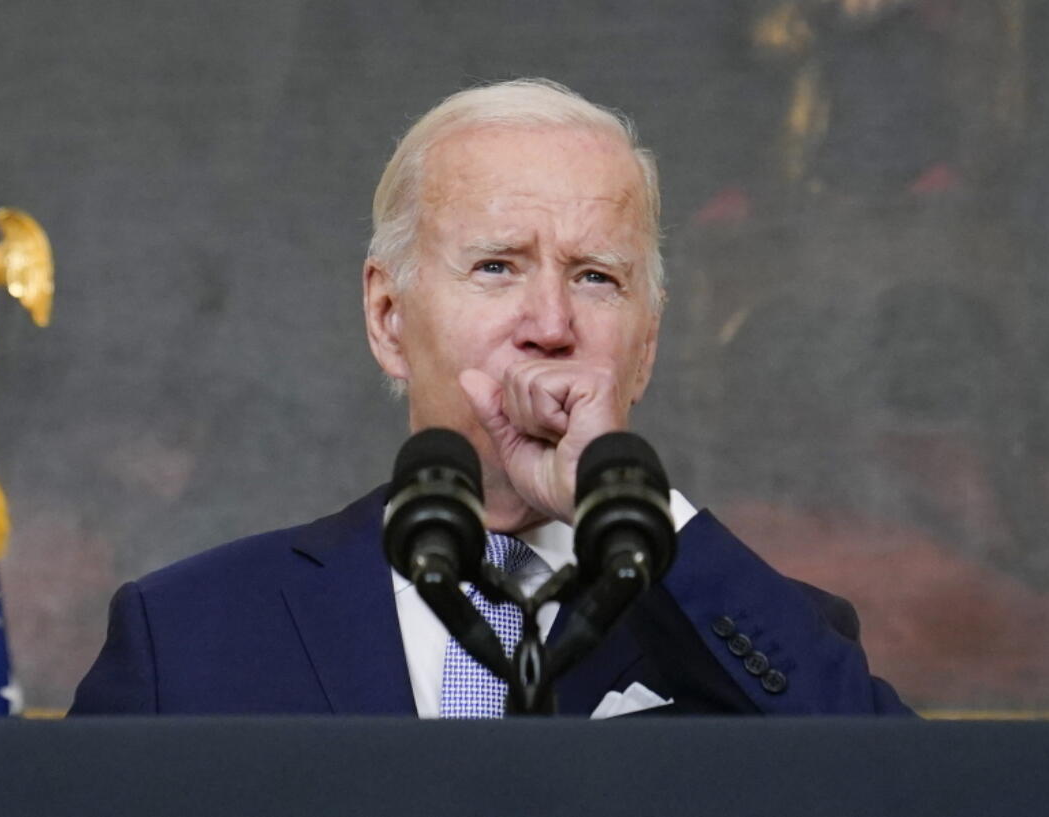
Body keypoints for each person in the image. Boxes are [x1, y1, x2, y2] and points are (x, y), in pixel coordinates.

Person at [71, 79, 910, 717]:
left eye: (595, 277)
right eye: (497, 266)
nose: (550, 324)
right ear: (389, 316)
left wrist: (636, 509)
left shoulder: (758, 627)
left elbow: (900, 791)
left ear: (645, 347)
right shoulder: (185, 636)